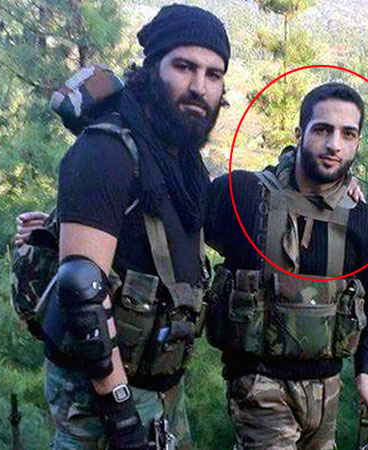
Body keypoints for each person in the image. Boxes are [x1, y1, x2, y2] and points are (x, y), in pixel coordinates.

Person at [28, 5, 230, 449]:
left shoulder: (183, 160)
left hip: (161, 390)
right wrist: (120, 414)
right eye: (184, 67)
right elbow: (81, 288)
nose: (199, 86)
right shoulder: (107, 150)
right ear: (152, 68)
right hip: (98, 397)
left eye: (213, 75)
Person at [205, 82, 368, 450]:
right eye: (322, 129)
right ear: (299, 134)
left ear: (357, 142)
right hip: (260, 385)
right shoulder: (243, 195)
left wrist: (366, 376)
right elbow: (178, 216)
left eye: (347, 134)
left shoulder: (363, 220)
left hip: (328, 392)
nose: (334, 145)